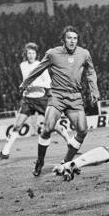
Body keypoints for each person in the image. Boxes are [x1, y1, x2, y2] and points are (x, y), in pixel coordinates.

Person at [19, 26, 100, 176]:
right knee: (48, 128)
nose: (72, 41)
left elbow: (91, 72)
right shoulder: (52, 53)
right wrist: (25, 83)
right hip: (57, 96)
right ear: (63, 39)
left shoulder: (84, 53)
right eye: (69, 38)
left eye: (75, 38)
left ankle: (66, 162)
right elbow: (39, 69)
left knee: (82, 131)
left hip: (75, 97)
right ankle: (40, 161)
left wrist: (94, 91)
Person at [0, 43, 72, 162]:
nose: (31, 55)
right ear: (26, 54)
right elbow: (24, 79)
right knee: (17, 126)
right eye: (29, 53)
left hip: (40, 99)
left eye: (33, 53)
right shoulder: (22, 65)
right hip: (27, 100)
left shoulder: (40, 65)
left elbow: (48, 83)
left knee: (54, 125)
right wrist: (24, 85)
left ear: (36, 54)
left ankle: (70, 144)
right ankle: (5, 152)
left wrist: (33, 84)